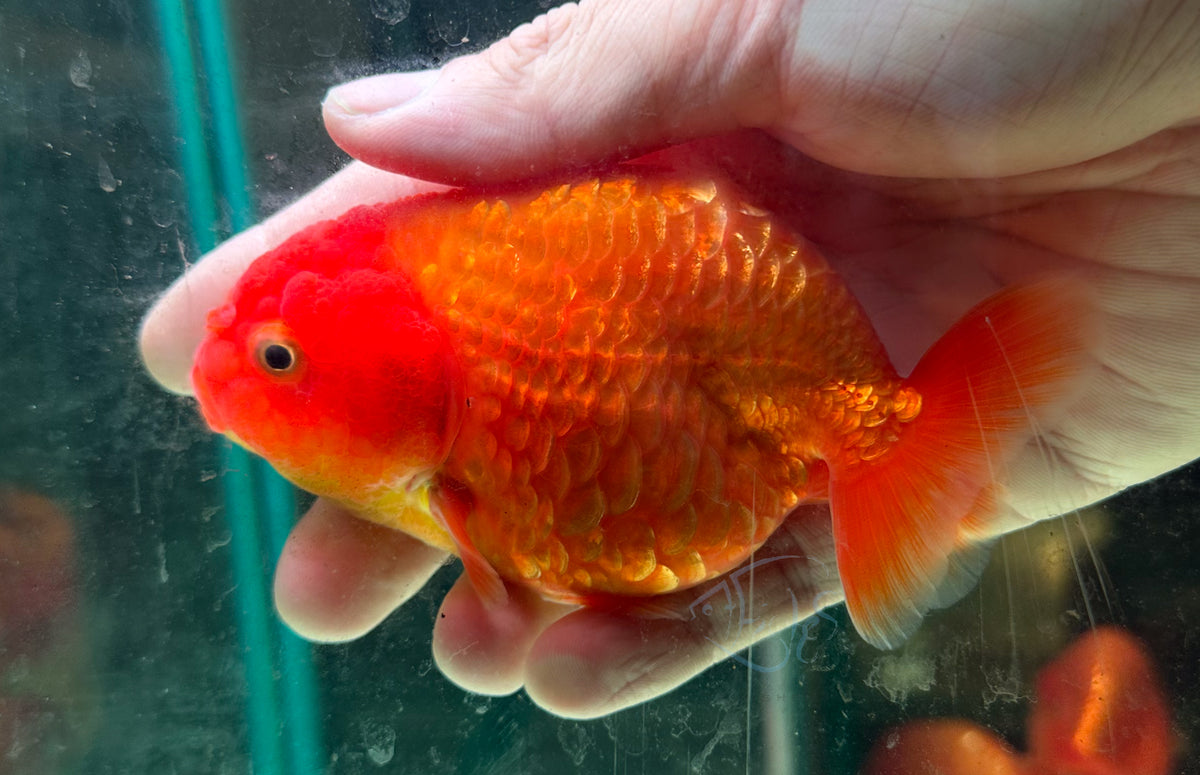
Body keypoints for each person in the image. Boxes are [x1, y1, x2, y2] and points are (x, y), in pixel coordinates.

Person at [140, 0, 1200, 718]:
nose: (237, 376)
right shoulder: (436, 302)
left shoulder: (460, 447)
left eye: (280, 359)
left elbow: (504, 590)